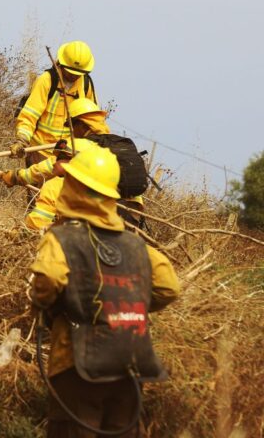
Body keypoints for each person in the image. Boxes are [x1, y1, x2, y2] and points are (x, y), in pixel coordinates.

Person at [29, 144, 180, 437]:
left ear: (75, 188)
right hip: (132, 365)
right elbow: (169, 287)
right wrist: (126, 306)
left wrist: (41, 303)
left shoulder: (61, 239)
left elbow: (48, 278)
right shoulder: (136, 244)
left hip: (77, 365)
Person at [11, 41, 97, 168]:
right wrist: (22, 140)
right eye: (71, 72)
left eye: (78, 74)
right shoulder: (47, 80)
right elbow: (29, 115)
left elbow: (93, 121)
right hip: (40, 152)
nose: (74, 76)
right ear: (61, 64)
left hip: (68, 155)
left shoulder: (85, 85)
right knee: (39, 187)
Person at [1, 99, 109, 189]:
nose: (71, 131)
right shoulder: (108, 141)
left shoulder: (83, 145)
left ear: (81, 125)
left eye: (71, 127)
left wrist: (16, 177)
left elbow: (50, 166)